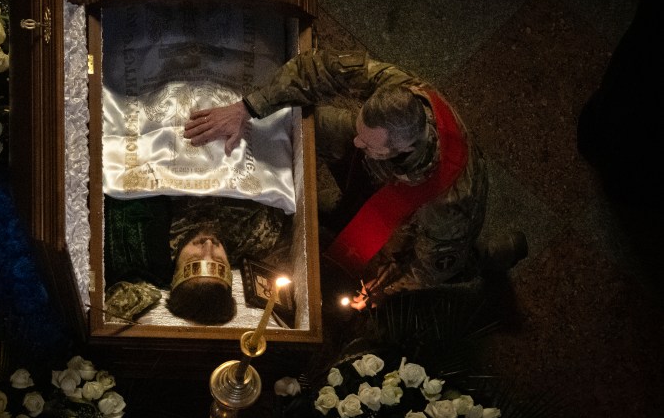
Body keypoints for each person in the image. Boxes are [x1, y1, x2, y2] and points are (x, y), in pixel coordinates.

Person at [184, 48, 524, 309]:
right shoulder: (401, 91)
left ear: (403, 146)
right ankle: (345, 202)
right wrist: (248, 108)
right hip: (385, 170)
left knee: (436, 269)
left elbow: (426, 270)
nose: (357, 144)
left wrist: (381, 291)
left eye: (368, 143)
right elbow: (318, 69)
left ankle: (492, 258)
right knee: (299, 125)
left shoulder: (451, 207)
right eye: (360, 133)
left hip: (416, 215)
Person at [103, 195, 289, 324]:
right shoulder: (257, 235)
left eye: (194, 259)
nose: (208, 245)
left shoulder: (146, 238)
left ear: (175, 271)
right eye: (219, 262)